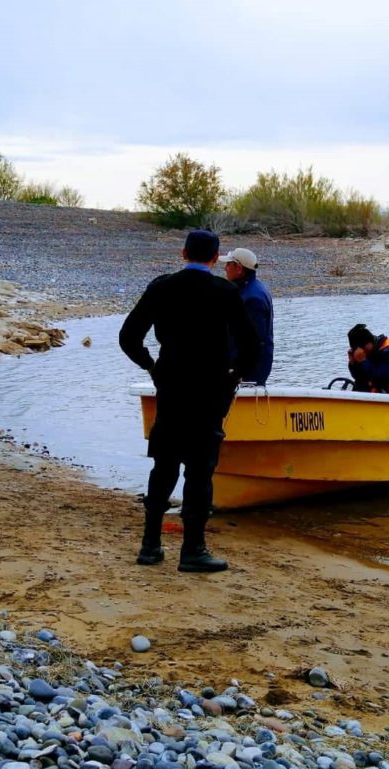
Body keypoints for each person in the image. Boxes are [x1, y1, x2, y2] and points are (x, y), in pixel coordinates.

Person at [119, 230, 259, 573]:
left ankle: (150, 545)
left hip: (171, 385)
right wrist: (233, 376)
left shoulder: (161, 287)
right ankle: (193, 549)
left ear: (183, 253)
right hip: (209, 390)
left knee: (164, 465)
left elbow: (128, 337)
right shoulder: (225, 291)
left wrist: (151, 366)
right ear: (215, 258)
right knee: (200, 470)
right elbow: (251, 345)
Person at [220, 247, 273, 385]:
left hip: (249, 372)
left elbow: (253, 341)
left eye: (228, 264)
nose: (225, 268)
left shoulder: (252, 298)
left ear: (239, 268)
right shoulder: (253, 289)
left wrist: (237, 371)